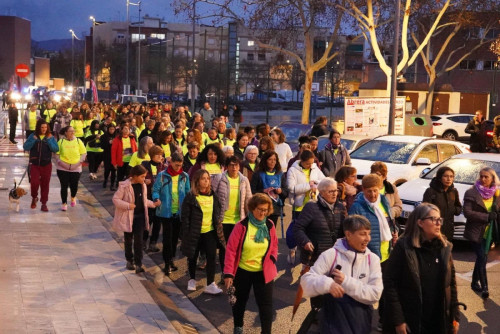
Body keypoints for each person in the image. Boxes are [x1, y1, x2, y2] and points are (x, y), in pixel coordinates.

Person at [383, 203, 460, 334]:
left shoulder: (444, 248)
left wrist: (454, 317)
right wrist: (398, 320)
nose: (438, 223)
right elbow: (390, 284)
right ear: (420, 222)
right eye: (433, 219)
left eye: (439, 219)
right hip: (412, 319)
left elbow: (451, 284)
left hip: (438, 320)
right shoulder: (404, 247)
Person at [300, 215, 383, 334]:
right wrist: (328, 284)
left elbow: (375, 295)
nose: (368, 239)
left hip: (361, 324)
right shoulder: (331, 255)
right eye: (363, 234)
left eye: (369, 234)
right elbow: (305, 283)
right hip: (333, 323)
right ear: (348, 234)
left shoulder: (372, 260)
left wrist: (346, 282)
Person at [224, 193, 279, 334]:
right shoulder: (241, 226)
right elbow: (231, 250)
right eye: (260, 209)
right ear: (252, 208)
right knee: (240, 302)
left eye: (265, 210)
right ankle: (238, 327)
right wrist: (229, 274)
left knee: (266, 305)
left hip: (263, 271)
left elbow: (274, 245)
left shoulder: (269, 225)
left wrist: (272, 259)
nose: (262, 213)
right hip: (243, 271)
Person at [181, 169, 225, 294]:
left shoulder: (213, 195)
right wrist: (187, 232)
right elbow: (185, 217)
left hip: (210, 232)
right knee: (193, 257)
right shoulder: (191, 196)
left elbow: (217, 211)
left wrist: (218, 223)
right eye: (203, 179)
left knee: (211, 257)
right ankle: (192, 279)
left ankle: (210, 283)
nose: (206, 181)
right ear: (197, 181)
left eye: (208, 179)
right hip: (195, 232)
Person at [112, 165, 160, 274]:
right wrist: (128, 205)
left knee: (138, 240)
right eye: (142, 176)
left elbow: (144, 201)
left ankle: (139, 264)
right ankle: (129, 260)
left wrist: (153, 204)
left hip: (140, 217)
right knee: (128, 240)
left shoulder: (142, 185)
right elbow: (115, 199)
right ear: (134, 176)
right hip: (128, 217)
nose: (144, 179)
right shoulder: (124, 186)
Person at [463, 167, 500, 299]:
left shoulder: (497, 194)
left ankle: (474, 282)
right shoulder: (471, 193)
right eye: (481, 176)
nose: (483, 179)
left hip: (490, 233)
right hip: (475, 232)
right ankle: (485, 287)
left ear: (492, 179)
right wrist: (486, 217)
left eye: (486, 177)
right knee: (482, 257)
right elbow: (467, 212)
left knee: (481, 258)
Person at [213, 156, 252, 275]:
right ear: (227, 166)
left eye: (236, 165)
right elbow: (212, 195)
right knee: (224, 248)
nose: (234, 167)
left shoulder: (244, 180)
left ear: (239, 166)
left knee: (236, 247)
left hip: (238, 220)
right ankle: (225, 273)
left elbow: (249, 198)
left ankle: (234, 272)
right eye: (231, 165)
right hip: (223, 219)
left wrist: (250, 216)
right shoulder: (220, 178)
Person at [152, 151, 190, 275]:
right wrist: (156, 198)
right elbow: (156, 189)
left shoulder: (184, 176)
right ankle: (167, 262)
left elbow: (188, 192)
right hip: (165, 212)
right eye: (176, 165)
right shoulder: (162, 175)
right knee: (167, 238)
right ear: (171, 162)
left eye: (180, 165)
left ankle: (172, 259)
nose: (178, 167)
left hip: (178, 212)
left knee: (175, 239)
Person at [287, 150, 325, 264]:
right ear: (301, 161)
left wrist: (316, 186)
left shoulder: (314, 168)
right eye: (307, 163)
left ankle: (306, 256)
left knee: (310, 231)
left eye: (312, 163)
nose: (310, 166)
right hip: (299, 207)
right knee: (297, 230)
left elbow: (323, 181)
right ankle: (292, 248)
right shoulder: (293, 170)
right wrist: (309, 186)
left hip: (313, 204)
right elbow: (291, 188)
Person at [348, 174, 398, 262]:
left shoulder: (384, 201)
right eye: (369, 191)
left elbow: (390, 221)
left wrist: (395, 231)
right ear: (363, 189)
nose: (373, 194)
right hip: (368, 257)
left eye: (375, 190)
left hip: (386, 253)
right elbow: (352, 234)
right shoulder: (356, 207)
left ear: (379, 189)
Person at [23, 120, 59, 212]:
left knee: (45, 184)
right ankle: (34, 197)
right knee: (34, 183)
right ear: (38, 127)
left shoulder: (50, 137)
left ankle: (44, 203)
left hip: (46, 164)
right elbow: (26, 147)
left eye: (45, 127)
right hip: (34, 164)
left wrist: (49, 141)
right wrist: (33, 140)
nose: (44, 129)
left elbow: (55, 149)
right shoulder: (33, 136)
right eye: (42, 127)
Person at [250, 150, 288, 228]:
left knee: (271, 231)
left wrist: (280, 191)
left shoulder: (280, 174)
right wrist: (263, 191)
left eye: (274, 160)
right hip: (261, 208)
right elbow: (252, 191)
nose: (272, 162)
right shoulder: (257, 174)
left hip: (275, 209)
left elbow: (286, 192)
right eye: (270, 159)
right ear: (265, 161)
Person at [423, 166, 462, 241]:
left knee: (446, 250)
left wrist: (453, 209)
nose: (449, 179)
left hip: (448, 229)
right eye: (445, 176)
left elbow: (459, 208)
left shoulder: (453, 192)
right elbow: (424, 211)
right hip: (434, 229)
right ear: (440, 177)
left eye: (451, 176)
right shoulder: (431, 191)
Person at [141, 145, 167, 253]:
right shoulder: (144, 165)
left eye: (161, 155)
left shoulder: (164, 167)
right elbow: (137, 177)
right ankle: (143, 242)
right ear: (152, 155)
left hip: (159, 198)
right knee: (147, 221)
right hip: (147, 196)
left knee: (157, 222)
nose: (160, 157)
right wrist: (144, 181)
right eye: (158, 155)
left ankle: (153, 243)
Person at [56, 126, 87, 211]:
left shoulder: (78, 141)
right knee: (64, 186)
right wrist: (60, 162)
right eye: (70, 131)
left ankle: (73, 196)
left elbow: (83, 153)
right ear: (66, 132)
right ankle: (64, 203)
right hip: (63, 168)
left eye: (73, 131)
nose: (72, 133)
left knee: (74, 185)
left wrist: (79, 162)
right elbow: (57, 154)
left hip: (76, 167)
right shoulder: (61, 141)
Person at [101, 124, 117, 190]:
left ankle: (112, 184)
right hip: (107, 155)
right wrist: (109, 143)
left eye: (113, 129)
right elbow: (102, 146)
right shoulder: (104, 136)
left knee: (114, 170)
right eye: (110, 129)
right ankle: (105, 180)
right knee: (107, 169)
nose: (112, 131)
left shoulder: (116, 136)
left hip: (114, 155)